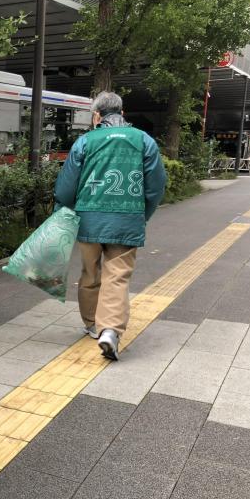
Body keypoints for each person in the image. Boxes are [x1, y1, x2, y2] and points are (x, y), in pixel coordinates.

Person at [54, 91, 166, 360]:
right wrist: (143, 215)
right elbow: (156, 187)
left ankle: (92, 324)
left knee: (90, 272)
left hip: (89, 218)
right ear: (122, 114)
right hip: (126, 219)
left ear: (96, 116)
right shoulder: (144, 141)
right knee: (117, 276)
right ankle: (110, 331)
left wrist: (62, 211)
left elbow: (66, 187)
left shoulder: (85, 142)